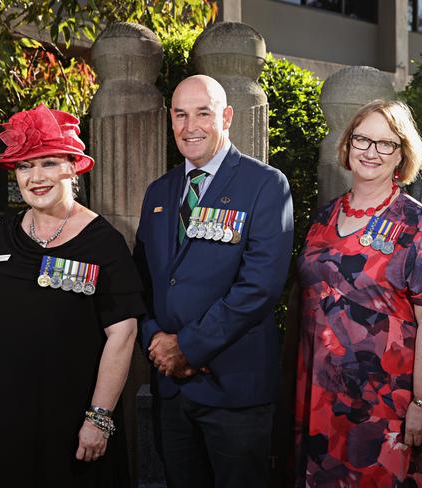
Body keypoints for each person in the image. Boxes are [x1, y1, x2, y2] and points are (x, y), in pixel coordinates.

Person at [0, 104, 145, 487]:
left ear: (73, 166)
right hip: (0, 418)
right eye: (24, 166)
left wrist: (98, 418)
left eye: (49, 163)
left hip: (70, 425)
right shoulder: (3, 235)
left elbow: (123, 334)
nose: (36, 178)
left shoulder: (104, 244)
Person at [294, 100, 422, 486]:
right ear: (348, 145)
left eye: (386, 143)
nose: (371, 151)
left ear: (402, 155)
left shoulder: (419, 225)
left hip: (388, 402)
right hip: (321, 394)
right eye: (362, 139)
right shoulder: (323, 217)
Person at [133, 75, 294, 488]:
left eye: (203, 113)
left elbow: (260, 286)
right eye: (180, 115)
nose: (191, 127)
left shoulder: (264, 185)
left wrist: (187, 347)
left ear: (226, 117)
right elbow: (143, 281)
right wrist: (155, 340)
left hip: (234, 389)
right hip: (171, 387)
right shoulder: (159, 192)